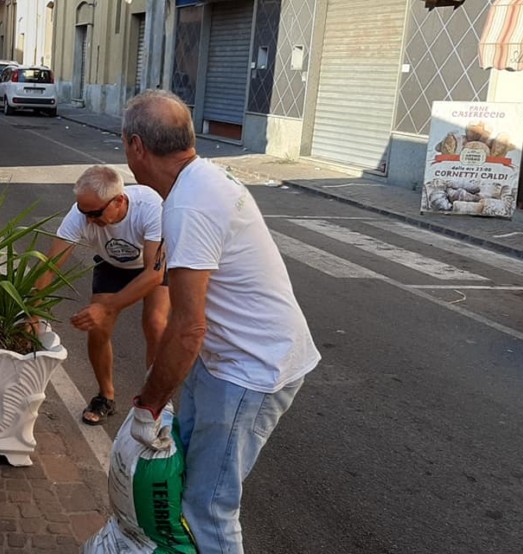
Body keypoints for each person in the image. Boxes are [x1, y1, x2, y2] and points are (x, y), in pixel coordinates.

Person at [122, 90, 320, 552]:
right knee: (192, 487)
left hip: (250, 369)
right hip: (227, 359)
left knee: (208, 508)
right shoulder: (202, 179)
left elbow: (188, 328)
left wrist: (149, 404)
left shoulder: (189, 204)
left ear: (137, 147)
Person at [34, 165, 169, 425]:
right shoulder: (81, 214)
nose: (87, 220)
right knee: (97, 327)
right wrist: (31, 311)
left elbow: (154, 275)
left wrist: (107, 307)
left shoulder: (151, 207)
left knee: (155, 323)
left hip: (151, 267)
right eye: (83, 212)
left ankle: (155, 400)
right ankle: (105, 396)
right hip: (113, 264)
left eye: (95, 214)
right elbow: (49, 267)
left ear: (119, 201)